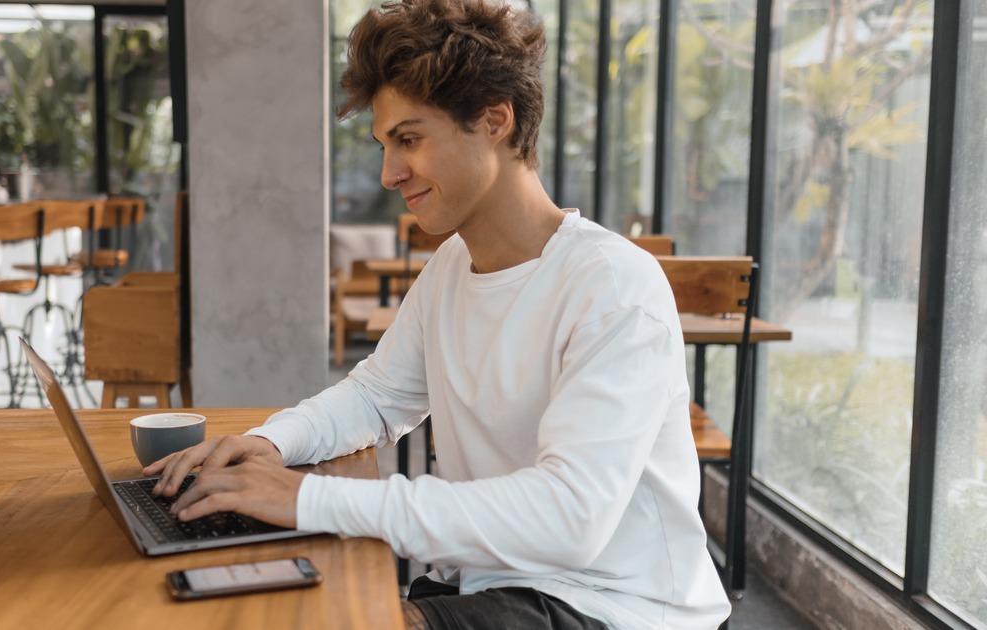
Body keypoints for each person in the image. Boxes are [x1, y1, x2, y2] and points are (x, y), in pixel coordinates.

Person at [146, 0, 731, 627]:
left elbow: (571, 520)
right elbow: (376, 398)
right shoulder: (452, 265)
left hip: (615, 605)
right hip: (495, 582)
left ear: (495, 120)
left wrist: (310, 498)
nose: (389, 174)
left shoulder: (613, 286)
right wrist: (268, 444)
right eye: (384, 145)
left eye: (409, 140)